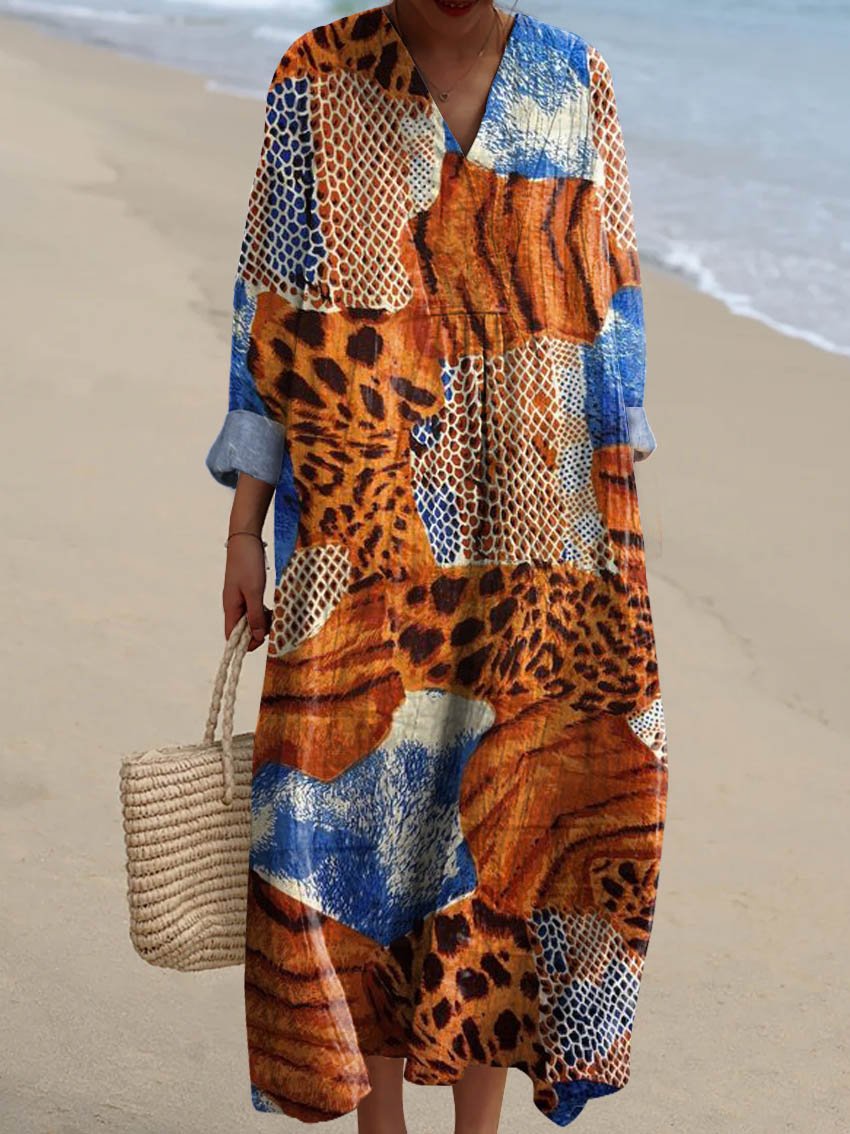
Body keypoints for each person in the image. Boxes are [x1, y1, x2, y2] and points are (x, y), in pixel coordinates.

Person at [205, 2, 668, 1131]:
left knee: (511, 837)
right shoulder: (318, 76)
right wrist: (242, 529)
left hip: (540, 538)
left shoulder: (573, 79)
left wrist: (612, 543)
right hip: (358, 548)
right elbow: (269, 314)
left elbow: (613, 309)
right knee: (355, 835)